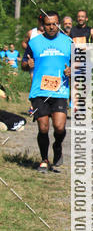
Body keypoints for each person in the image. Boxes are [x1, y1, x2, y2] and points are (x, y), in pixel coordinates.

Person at [22, 11, 72, 172]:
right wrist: (27, 65)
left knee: (59, 127)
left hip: (60, 90)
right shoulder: (34, 42)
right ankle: (44, 159)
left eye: (55, 24)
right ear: (43, 25)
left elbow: (81, 65)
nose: (52, 27)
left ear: (59, 24)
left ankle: (57, 146)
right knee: (43, 128)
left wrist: (72, 71)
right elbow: (24, 63)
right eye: (48, 24)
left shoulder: (68, 42)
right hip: (39, 91)